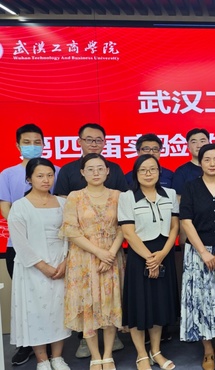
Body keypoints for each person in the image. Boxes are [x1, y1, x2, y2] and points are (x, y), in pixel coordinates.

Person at [54, 123, 127, 358]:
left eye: (100, 169)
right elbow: (71, 230)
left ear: (108, 171)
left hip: (112, 256)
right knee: (89, 306)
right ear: (82, 173)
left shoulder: (118, 196)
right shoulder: (74, 197)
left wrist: (110, 253)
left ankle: (108, 354)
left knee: (110, 304)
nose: (96, 173)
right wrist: (99, 252)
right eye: (90, 169)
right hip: (84, 258)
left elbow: (125, 227)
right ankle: (95, 356)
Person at [0, 124, 59, 366]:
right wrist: (25, 229)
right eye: (27, 142)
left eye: (37, 142)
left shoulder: (56, 171)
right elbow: (5, 207)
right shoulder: (7, 174)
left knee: (55, 300)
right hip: (20, 245)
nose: (32, 146)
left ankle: (53, 350)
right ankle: (27, 347)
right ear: (17, 145)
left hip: (54, 249)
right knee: (29, 299)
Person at [179, 144, 215, 370]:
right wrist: (204, 252)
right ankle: (207, 351)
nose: (212, 163)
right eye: (207, 159)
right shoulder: (191, 187)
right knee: (201, 301)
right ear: (200, 162)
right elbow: (186, 221)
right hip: (197, 253)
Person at [8, 158, 71, 370]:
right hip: (33, 268)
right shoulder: (20, 206)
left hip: (60, 264)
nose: (46, 180)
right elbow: (20, 242)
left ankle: (57, 357)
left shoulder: (63, 203)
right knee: (35, 312)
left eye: (50, 175)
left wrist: (65, 262)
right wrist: (43, 266)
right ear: (29, 179)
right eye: (40, 176)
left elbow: (70, 235)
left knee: (59, 311)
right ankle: (42, 360)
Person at [118, 155, 179, 370]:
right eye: (143, 170)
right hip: (139, 255)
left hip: (164, 253)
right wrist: (150, 259)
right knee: (139, 306)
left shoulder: (170, 194)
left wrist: (162, 255)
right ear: (135, 173)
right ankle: (142, 354)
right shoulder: (127, 197)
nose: (148, 173)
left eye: (153, 169)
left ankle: (156, 351)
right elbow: (128, 232)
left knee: (159, 305)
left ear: (159, 172)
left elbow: (174, 227)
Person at [172, 128, 210, 196]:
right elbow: (178, 197)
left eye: (202, 141)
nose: (199, 146)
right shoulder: (181, 172)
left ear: (209, 144)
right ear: (188, 147)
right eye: (194, 142)